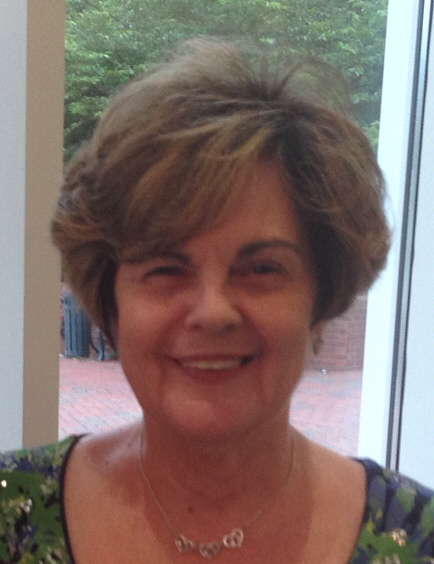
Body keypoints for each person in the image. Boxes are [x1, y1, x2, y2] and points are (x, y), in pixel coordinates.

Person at [1, 38, 433, 564]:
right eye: (166, 269)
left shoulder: (418, 538)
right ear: (111, 305)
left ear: (321, 300)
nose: (212, 312)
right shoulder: (9, 513)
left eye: (262, 268)